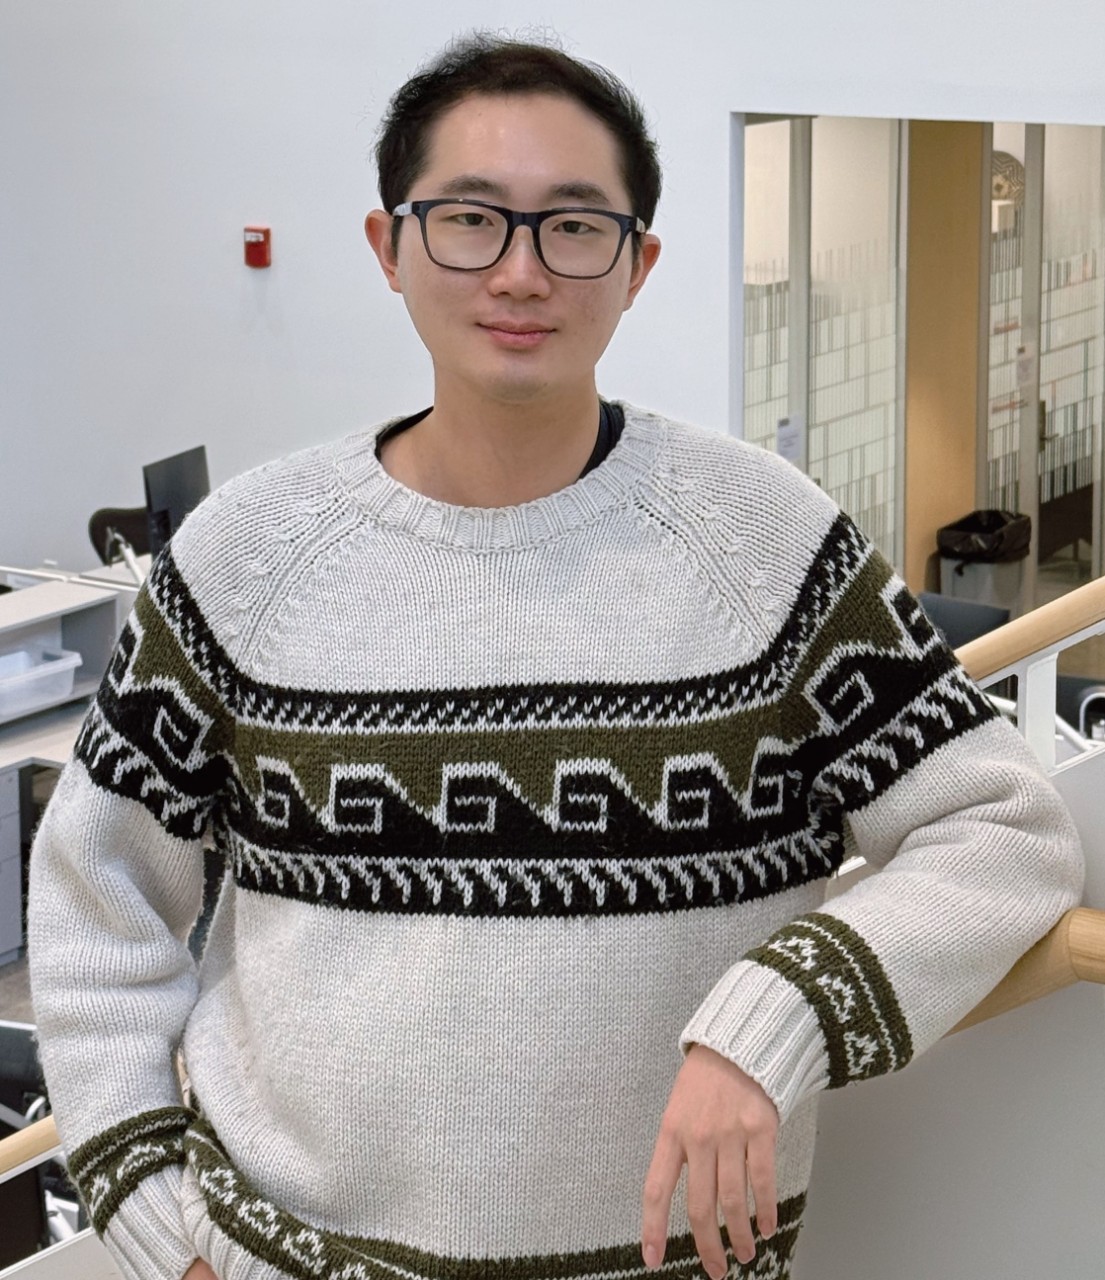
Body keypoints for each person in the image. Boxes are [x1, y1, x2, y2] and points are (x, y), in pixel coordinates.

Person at [28, 32, 1082, 1280]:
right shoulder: (242, 558)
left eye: (574, 228)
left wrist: (773, 1017)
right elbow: (99, 917)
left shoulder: (767, 541)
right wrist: (165, 1234)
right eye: (471, 218)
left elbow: (1003, 831)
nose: (521, 270)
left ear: (636, 265)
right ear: (390, 247)